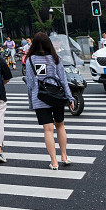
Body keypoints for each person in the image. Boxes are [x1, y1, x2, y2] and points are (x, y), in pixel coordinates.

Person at [24, 32, 76, 170]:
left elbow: (30, 83)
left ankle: (54, 162)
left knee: (48, 130)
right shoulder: (55, 58)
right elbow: (63, 80)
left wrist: (31, 101)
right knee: (60, 125)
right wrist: (70, 97)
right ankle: (64, 156)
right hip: (56, 96)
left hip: (40, 97)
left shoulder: (30, 60)